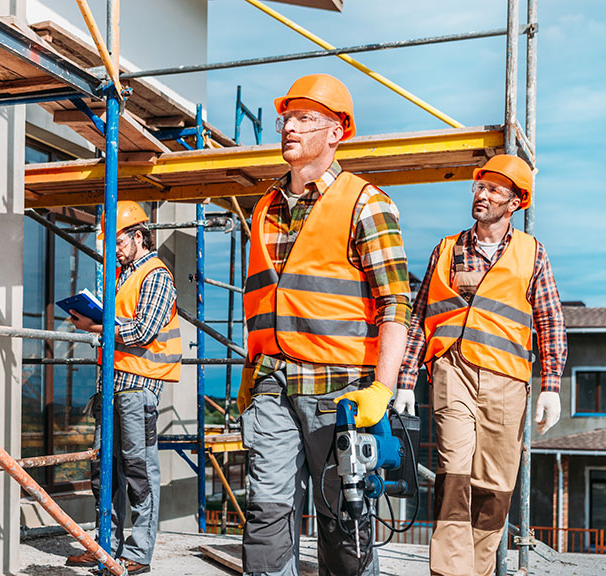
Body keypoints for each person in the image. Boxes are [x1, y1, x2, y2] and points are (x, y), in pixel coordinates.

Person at [237, 73, 411, 576]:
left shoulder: (365, 203)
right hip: (272, 383)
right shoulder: (265, 207)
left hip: (341, 394)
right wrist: (253, 372)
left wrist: (383, 387)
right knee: (267, 514)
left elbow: (396, 304)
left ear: (337, 132)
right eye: (286, 118)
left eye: (305, 118)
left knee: (345, 521)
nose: (290, 127)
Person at [393, 154, 567, 576]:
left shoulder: (532, 253)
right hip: (453, 372)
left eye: (493, 190)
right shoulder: (448, 248)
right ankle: (449, 571)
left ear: (515, 202)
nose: (482, 195)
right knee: (454, 474)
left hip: (507, 382)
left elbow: (550, 320)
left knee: (495, 485)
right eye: (479, 187)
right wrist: (405, 380)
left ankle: (479, 567)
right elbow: (421, 316)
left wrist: (551, 386)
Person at [66, 201, 181, 575]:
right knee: (104, 470)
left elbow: (143, 332)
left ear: (137, 236)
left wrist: (96, 327)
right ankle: (104, 546)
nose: (112, 250)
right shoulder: (122, 276)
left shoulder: (156, 275)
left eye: (117, 241)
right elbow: (119, 324)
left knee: (138, 472)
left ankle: (138, 553)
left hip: (137, 387)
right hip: (112, 386)